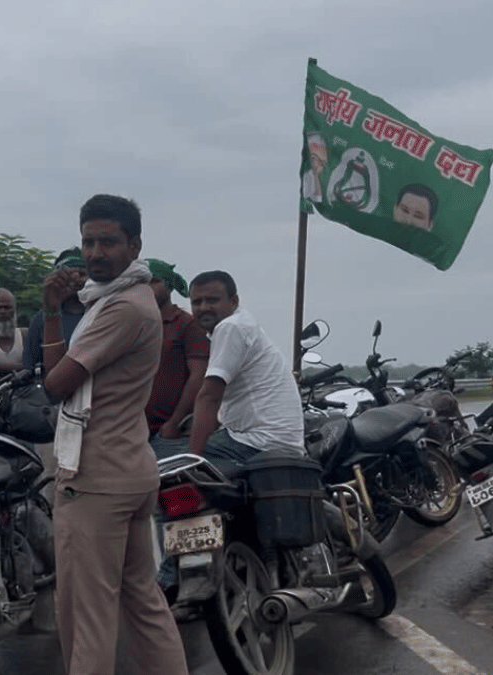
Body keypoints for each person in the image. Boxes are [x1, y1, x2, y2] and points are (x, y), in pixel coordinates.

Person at [42, 194, 189, 675]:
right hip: (130, 470)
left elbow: (56, 384)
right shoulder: (128, 299)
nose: (94, 252)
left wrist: (48, 311)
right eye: (87, 241)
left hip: (96, 478)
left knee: (87, 617)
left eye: (108, 241)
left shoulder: (121, 308)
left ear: (135, 245)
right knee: (143, 601)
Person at [187, 270, 305, 474]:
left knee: (171, 468)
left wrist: (191, 463)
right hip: (274, 441)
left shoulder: (230, 327)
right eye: (197, 302)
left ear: (234, 301)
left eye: (212, 300)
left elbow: (209, 397)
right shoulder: (242, 323)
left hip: (259, 442)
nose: (204, 307)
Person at [143, 258, 210, 460]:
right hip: (132, 430)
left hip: (168, 434)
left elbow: (199, 376)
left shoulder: (186, 324)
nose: (147, 288)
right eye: (142, 282)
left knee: (174, 487)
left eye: (154, 281)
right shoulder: (135, 324)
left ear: (169, 285)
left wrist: (174, 422)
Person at [21, 248, 86, 373]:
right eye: (69, 275)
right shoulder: (41, 319)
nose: (77, 280)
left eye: (82, 274)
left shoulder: (101, 312)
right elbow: (28, 366)